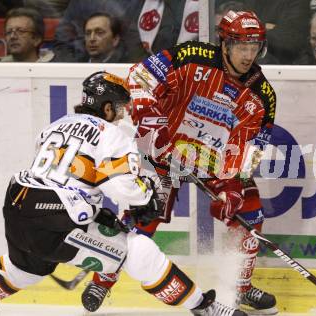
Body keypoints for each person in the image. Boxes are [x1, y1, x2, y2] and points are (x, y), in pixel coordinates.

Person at [0, 71, 246, 316]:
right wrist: (147, 196)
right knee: (139, 251)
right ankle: (203, 308)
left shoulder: (55, 125)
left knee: (25, 269)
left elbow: (69, 174)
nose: (120, 116)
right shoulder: (113, 134)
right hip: (56, 219)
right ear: (106, 107)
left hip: (19, 205)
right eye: (118, 109)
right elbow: (121, 186)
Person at [82, 10, 279, 316]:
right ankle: (103, 280)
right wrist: (149, 114)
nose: (248, 55)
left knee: (250, 215)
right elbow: (138, 77)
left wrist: (235, 186)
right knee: (140, 218)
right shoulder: (191, 55)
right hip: (163, 151)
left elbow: (250, 150)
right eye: (241, 47)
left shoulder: (262, 96)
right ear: (224, 43)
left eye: (254, 48)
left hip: (212, 161)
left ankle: (241, 289)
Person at [242, 0, 310, 64]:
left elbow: (291, 37)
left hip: (283, 67)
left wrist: (254, 31)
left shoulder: (296, 2)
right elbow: (239, 27)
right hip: (248, 63)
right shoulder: (252, 2)